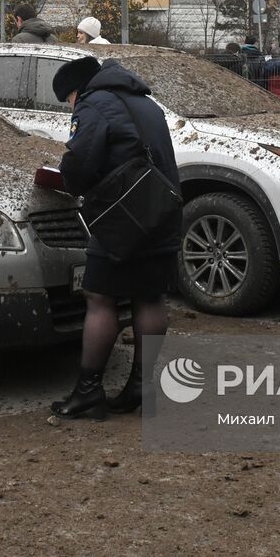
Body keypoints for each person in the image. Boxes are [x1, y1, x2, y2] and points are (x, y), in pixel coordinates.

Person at [50, 56, 178, 418]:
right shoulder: (145, 102)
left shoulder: (95, 104)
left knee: (100, 297)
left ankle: (88, 392)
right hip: (162, 210)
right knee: (149, 297)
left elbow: (81, 161)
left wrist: (66, 179)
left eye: (69, 101)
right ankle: (142, 386)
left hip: (123, 217)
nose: (71, 108)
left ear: (76, 91)